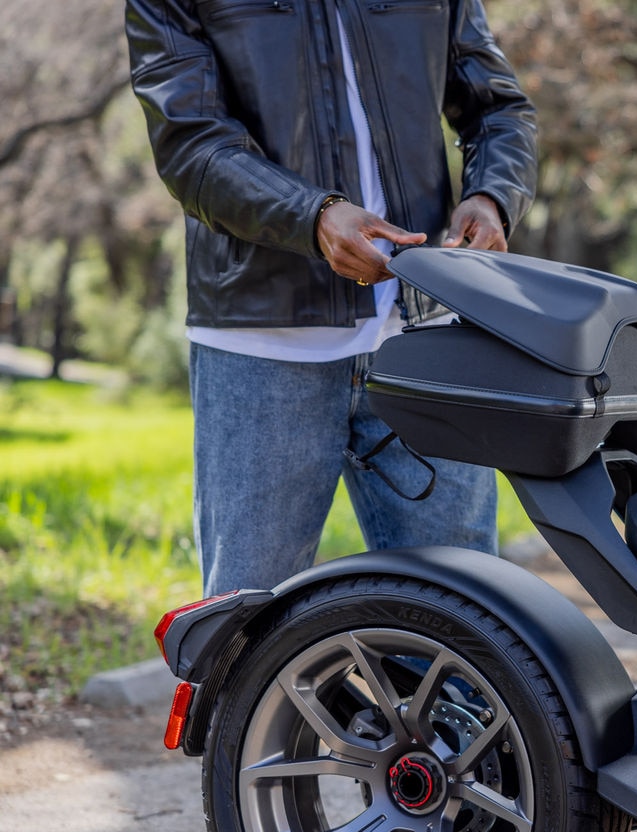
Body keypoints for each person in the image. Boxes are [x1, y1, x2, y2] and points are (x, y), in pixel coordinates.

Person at [124, 0, 537, 595]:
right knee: (248, 630)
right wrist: (312, 217)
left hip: (423, 336)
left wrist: (494, 195)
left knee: (469, 620)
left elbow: (498, 108)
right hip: (262, 347)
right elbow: (191, 145)